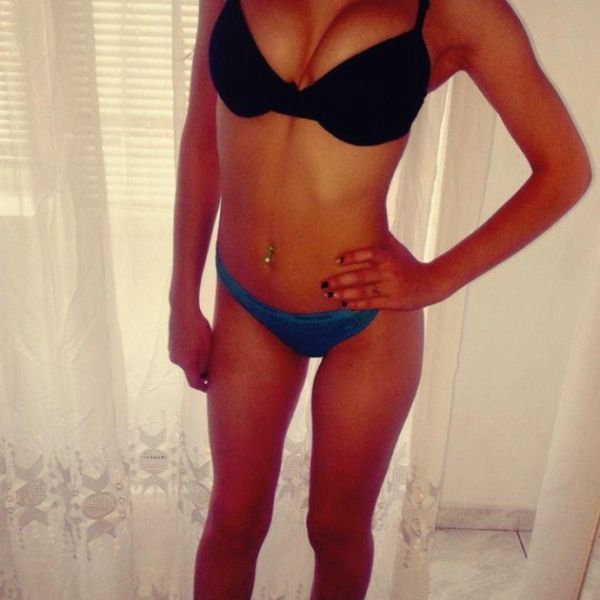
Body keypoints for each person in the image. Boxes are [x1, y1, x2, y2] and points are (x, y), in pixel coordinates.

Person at [168, 0, 591, 597]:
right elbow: (201, 137)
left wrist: (437, 278)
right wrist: (181, 297)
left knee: (336, 533)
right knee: (232, 526)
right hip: (245, 304)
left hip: (365, 324)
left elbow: (564, 168)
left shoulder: (459, 11)